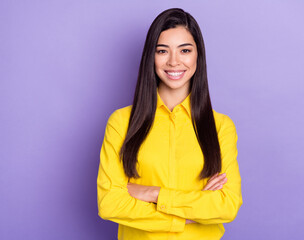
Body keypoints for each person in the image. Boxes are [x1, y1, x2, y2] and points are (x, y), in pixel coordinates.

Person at [97, 8, 242, 240]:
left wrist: (152, 193)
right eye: (162, 51)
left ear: (198, 56)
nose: (174, 61)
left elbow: (227, 205)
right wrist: (189, 212)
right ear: (150, 57)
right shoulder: (121, 123)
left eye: (185, 50)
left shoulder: (221, 127)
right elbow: (109, 203)